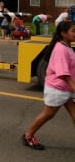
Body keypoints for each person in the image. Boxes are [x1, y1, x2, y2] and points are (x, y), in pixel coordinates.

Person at [21, 20, 75, 150]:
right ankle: (28, 135)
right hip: (58, 89)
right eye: (73, 31)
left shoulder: (66, 45)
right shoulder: (61, 49)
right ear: (63, 33)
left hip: (66, 89)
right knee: (48, 114)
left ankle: (28, 135)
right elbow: (63, 73)